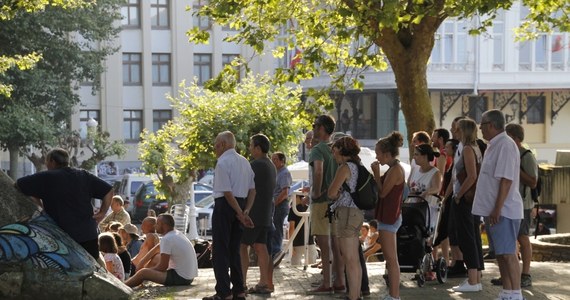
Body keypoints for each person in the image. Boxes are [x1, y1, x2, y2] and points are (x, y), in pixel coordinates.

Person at [15, 148, 113, 259]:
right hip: (88, 234)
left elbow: (19, 184)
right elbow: (109, 191)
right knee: (94, 270)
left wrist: (40, 206)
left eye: (46, 161)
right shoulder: (83, 175)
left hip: (61, 235)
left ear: (52, 161)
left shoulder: (46, 177)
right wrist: (102, 212)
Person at [473, 109, 524, 300]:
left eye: (483, 125)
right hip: (494, 209)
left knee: (508, 253)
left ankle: (516, 292)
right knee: (501, 254)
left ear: (492, 125)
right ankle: (507, 291)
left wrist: (497, 207)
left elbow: (506, 180)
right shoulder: (495, 145)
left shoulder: (505, 145)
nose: (481, 129)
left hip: (504, 210)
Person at [203, 131, 255, 300]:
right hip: (240, 203)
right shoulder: (245, 162)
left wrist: (240, 213)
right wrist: (245, 211)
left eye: (216, 145)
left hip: (225, 206)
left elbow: (226, 192)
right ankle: (239, 289)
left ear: (224, 144)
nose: (215, 149)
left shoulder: (223, 162)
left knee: (220, 250)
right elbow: (252, 190)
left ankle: (223, 291)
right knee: (235, 249)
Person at [494, 123, 537, 288]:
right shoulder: (508, 152)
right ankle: (510, 276)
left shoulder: (526, 156)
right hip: (510, 202)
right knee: (510, 240)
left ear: (516, 138)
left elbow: (533, 182)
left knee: (522, 237)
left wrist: (514, 169)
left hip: (523, 202)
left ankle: (525, 274)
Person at [327, 136, 364, 300]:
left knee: (349, 259)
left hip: (347, 213)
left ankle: (354, 296)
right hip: (356, 213)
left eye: (334, 150)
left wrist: (337, 194)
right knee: (354, 259)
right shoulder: (358, 165)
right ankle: (355, 294)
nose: (333, 154)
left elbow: (331, 192)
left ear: (341, 150)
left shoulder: (344, 167)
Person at [307, 115, 340, 294]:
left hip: (321, 202)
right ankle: (339, 281)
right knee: (335, 243)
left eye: (315, 125)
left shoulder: (317, 149)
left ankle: (326, 283)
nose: (313, 129)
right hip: (335, 201)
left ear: (321, 128)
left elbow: (318, 171)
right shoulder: (334, 149)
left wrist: (316, 192)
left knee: (324, 244)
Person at [450, 118, 484, 292]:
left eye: (457, 129)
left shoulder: (469, 149)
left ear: (463, 131)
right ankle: (475, 278)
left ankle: (472, 280)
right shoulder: (474, 148)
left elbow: (472, 176)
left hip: (466, 199)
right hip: (471, 199)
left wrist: (458, 195)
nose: (455, 132)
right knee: (473, 237)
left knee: (467, 237)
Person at [240, 134, 276, 294]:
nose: (249, 148)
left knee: (241, 246)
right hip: (266, 213)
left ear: (258, 148)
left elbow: (245, 187)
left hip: (253, 214)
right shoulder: (270, 164)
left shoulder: (256, 165)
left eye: (251, 145)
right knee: (261, 247)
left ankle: (241, 282)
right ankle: (265, 282)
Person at [372, 131, 406, 300]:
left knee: (391, 259)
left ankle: (394, 295)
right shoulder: (395, 168)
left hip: (389, 217)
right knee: (391, 259)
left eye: (378, 153)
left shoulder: (395, 170)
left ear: (386, 154)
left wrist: (376, 175)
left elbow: (383, 193)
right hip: (389, 216)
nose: (376, 156)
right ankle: (393, 294)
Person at [125, 213, 198, 287]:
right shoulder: (176, 234)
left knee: (143, 273)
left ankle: (122, 287)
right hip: (189, 277)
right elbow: (157, 248)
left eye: (157, 224)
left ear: (164, 225)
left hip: (181, 278)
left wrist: (147, 272)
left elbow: (162, 267)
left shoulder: (167, 239)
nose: (155, 226)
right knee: (153, 260)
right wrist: (142, 262)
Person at [269, 151, 292, 262]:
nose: (273, 161)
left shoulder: (284, 173)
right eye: (272, 159)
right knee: (274, 228)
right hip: (275, 204)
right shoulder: (276, 172)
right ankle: (274, 252)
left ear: (282, 161)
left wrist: (275, 203)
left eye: (275, 159)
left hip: (280, 205)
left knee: (277, 228)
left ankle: (276, 252)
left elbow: (285, 192)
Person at [288, 194, 317, 265]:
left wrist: (290, 245)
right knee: (311, 265)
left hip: (297, 243)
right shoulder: (310, 209)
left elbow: (291, 228)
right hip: (310, 242)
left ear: (298, 197)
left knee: (295, 267)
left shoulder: (293, 210)